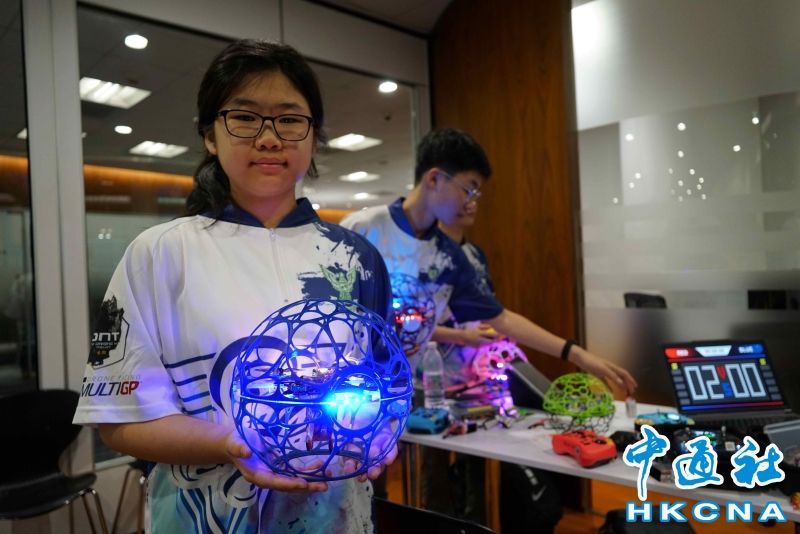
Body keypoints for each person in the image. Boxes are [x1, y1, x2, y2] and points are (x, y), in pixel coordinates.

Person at [73, 40, 396, 534]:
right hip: (201, 518)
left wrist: (381, 433)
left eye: (289, 119)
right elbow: (118, 420)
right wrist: (230, 445)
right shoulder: (159, 253)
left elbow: (384, 388)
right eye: (245, 118)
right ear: (210, 134)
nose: (269, 139)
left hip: (335, 517)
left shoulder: (357, 259)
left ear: (313, 135)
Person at [340, 128, 637, 521]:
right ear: (435, 178)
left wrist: (577, 354)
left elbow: (501, 318)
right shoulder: (363, 229)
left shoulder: (451, 257)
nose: (472, 201)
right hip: (347, 395)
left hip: (402, 392)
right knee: (349, 499)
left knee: (387, 502)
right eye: (469, 188)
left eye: (476, 193)